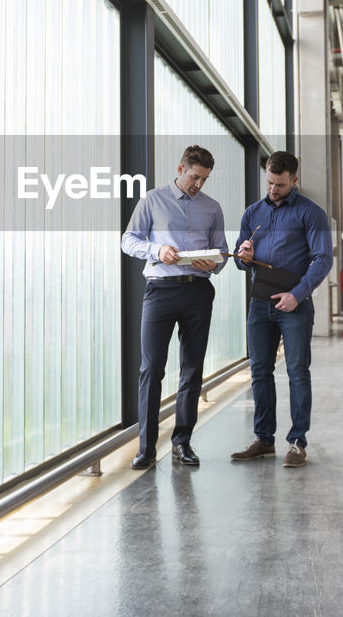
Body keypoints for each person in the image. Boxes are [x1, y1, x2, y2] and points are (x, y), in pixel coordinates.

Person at [121, 145, 227, 469]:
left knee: (192, 370)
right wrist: (157, 249)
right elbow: (128, 240)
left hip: (198, 292)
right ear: (180, 168)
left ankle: (182, 443)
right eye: (195, 177)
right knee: (151, 370)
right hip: (160, 291)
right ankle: (146, 448)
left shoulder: (212, 208)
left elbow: (222, 252)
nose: (199, 184)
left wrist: (214, 263)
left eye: (204, 179)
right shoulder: (152, 200)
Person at [230, 151, 333, 468]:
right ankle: (263, 439)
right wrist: (242, 257)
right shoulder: (252, 213)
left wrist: (298, 294)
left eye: (280, 184)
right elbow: (238, 260)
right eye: (270, 183)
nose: (273, 190)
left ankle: (298, 443)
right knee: (260, 372)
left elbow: (323, 259)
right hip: (259, 303)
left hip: (294, 304)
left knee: (297, 373)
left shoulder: (311, 214)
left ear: (294, 180)